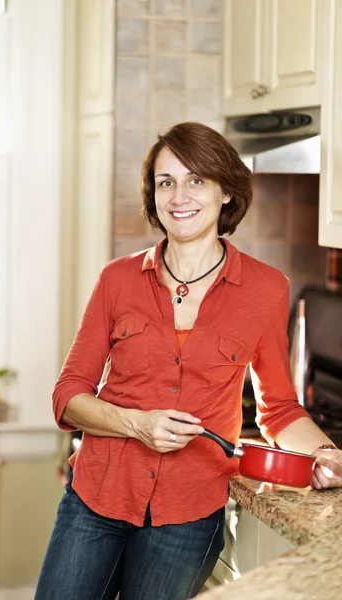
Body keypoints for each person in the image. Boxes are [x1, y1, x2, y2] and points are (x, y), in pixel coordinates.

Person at [34, 122, 342, 600]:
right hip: (96, 500)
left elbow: (278, 409)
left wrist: (324, 454)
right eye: (166, 181)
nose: (180, 195)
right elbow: (67, 395)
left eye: (197, 179)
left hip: (188, 516)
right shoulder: (117, 280)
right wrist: (137, 424)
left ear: (226, 192)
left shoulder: (265, 289)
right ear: (154, 195)